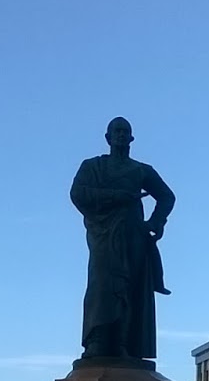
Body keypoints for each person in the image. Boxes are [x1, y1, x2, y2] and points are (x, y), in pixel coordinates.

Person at [70, 117, 176, 362]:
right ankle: (97, 340)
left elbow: (166, 197)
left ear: (131, 138)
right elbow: (78, 193)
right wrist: (116, 196)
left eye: (125, 131)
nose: (120, 135)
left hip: (132, 236)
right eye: (116, 131)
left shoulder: (140, 170)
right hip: (103, 235)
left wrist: (155, 222)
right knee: (102, 284)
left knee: (129, 288)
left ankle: (122, 342)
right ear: (107, 137)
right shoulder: (92, 166)